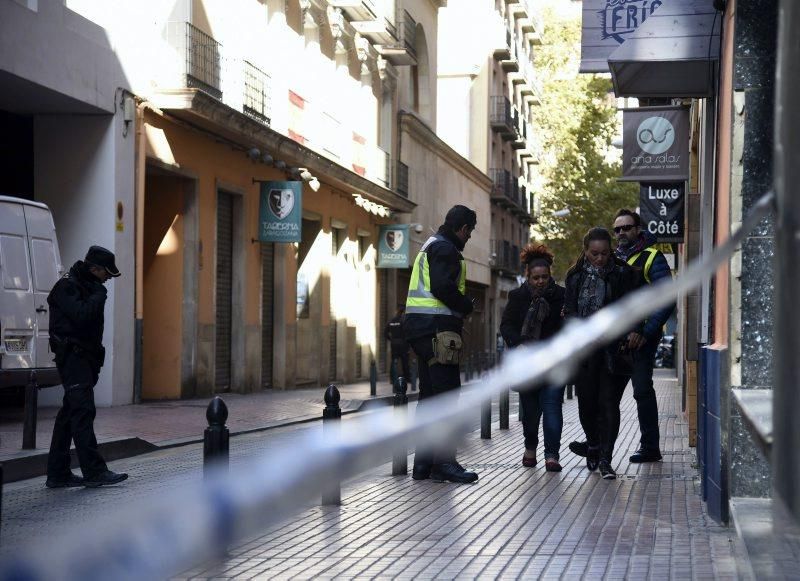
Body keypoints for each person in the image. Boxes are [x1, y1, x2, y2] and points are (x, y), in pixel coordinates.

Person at [404, 205, 478, 484]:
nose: (469, 237)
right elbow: (442, 287)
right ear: (463, 229)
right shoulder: (446, 249)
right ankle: (444, 463)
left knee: (430, 398)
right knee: (447, 396)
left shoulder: (430, 244)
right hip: (437, 329)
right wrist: (465, 306)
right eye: (469, 232)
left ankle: (423, 465)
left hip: (420, 329)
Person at [45, 246, 129, 488]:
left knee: (68, 416)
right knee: (82, 412)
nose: (108, 280)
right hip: (73, 358)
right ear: (94, 269)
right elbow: (82, 316)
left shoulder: (86, 286)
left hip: (85, 359)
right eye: (106, 274)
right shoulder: (68, 286)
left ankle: (58, 473)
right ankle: (94, 471)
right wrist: (98, 294)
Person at [563, 228, 642, 480]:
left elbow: (635, 307)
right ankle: (593, 445)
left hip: (614, 349)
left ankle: (606, 458)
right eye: (594, 254)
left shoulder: (624, 274)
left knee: (608, 404)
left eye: (605, 253)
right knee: (587, 404)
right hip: (585, 350)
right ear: (585, 252)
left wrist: (634, 330)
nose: (600, 258)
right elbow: (570, 311)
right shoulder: (574, 277)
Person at [611, 209, 674, 462]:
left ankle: (650, 447)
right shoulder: (612, 258)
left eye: (626, 227)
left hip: (641, 339)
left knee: (642, 391)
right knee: (607, 394)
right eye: (617, 229)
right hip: (615, 339)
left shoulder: (651, 257)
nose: (621, 233)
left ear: (638, 229)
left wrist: (646, 333)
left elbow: (666, 298)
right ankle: (596, 444)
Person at [500, 244, 565, 472]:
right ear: (528, 276)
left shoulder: (561, 297)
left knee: (552, 408)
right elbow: (506, 325)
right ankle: (530, 447)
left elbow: (568, 327)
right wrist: (518, 343)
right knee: (529, 413)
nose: (540, 281)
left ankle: (552, 455)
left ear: (550, 276)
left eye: (544, 277)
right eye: (536, 277)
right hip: (527, 364)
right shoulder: (517, 296)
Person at [385, 304, 410, 386]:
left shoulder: (391, 321)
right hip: (402, 344)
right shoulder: (403, 321)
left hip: (394, 344)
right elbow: (406, 333)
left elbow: (385, 333)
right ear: (403, 312)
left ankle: (392, 379)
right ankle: (408, 379)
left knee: (393, 362)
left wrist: (391, 339)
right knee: (405, 362)